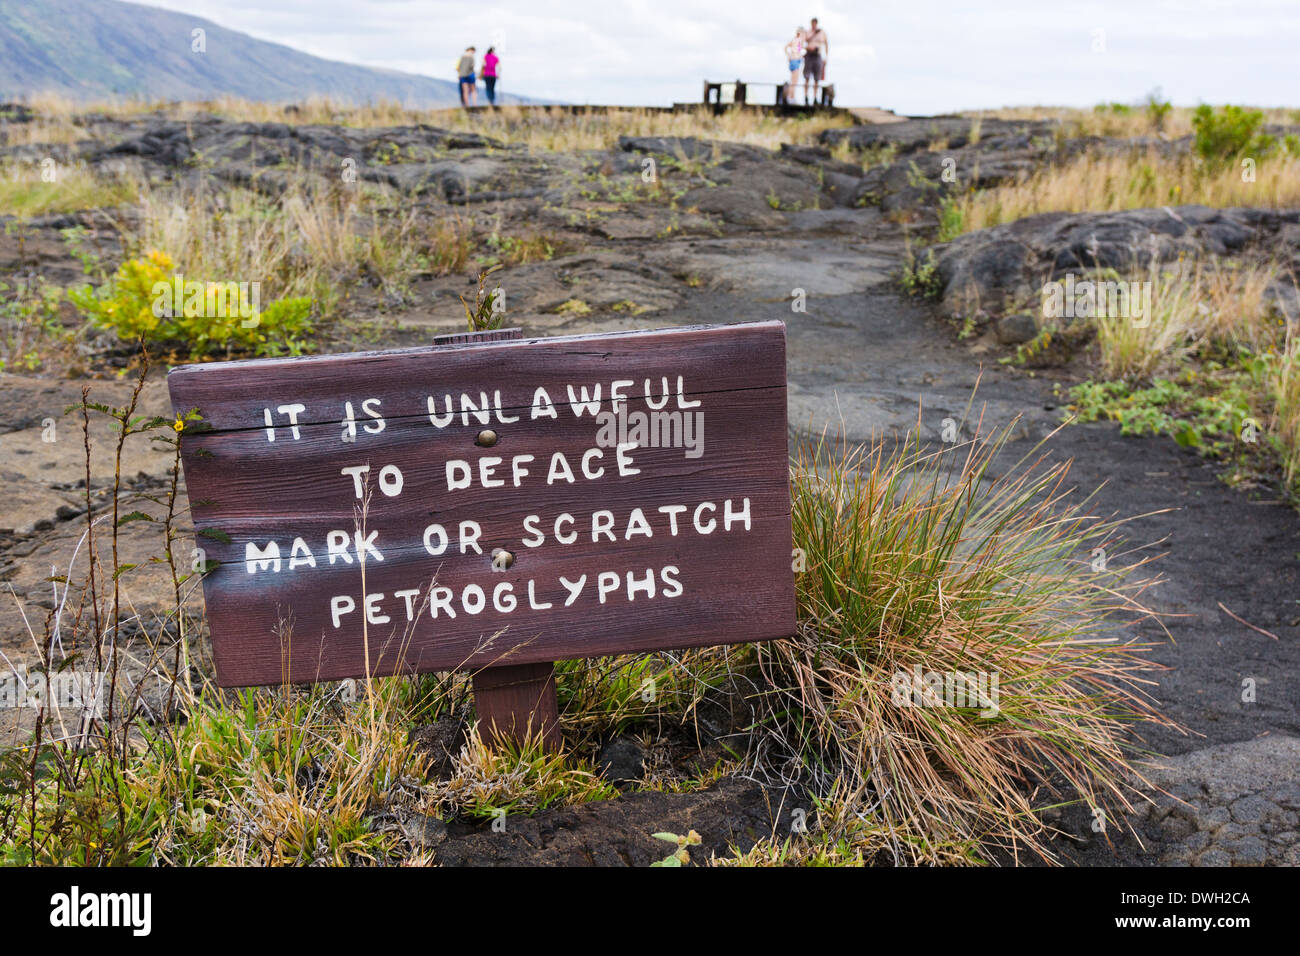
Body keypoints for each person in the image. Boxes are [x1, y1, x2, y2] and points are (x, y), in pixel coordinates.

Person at [802, 17, 828, 105]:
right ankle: (805, 97)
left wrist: (825, 57)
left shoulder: (822, 32)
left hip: (818, 56)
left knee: (817, 79)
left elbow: (826, 44)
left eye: (815, 23)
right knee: (807, 77)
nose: (814, 25)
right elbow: (800, 44)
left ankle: (815, 97)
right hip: (809, 55)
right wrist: (807, 48)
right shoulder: (807, 32)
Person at [783, 28, 804, 105]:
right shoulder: (797, 40)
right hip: (795, 61)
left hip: (795, 61)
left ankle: (791, 97)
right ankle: (791, 98)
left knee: (794, 81)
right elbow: (785, 48)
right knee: (794, 82)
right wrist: (789, 56)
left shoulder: (797, 41)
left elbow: (798, 50)